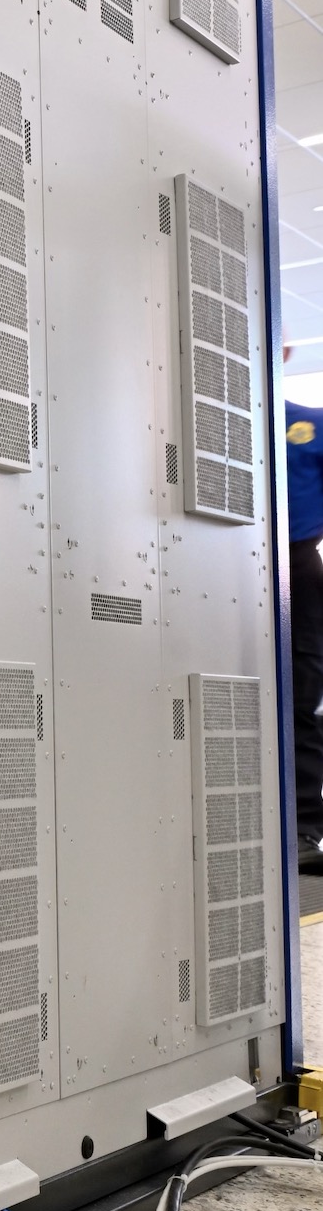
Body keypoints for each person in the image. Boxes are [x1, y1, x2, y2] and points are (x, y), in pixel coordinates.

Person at [286, 361, 323, 873]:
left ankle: (305, 828)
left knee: (301, 691)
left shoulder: (310, 424)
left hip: (296, 563)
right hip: (221, 559)